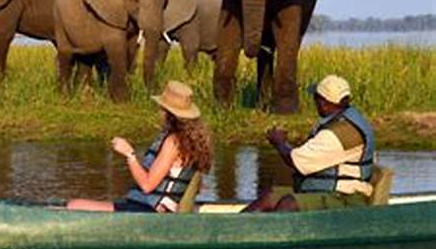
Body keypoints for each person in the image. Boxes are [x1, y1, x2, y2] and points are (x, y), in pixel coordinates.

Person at [68, 80, 212, 213]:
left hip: (149, 211)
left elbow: (147, 185)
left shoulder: (173, 142)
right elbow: (197, 187)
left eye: (161, 108)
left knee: (73, 206)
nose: (159, 111)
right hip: (145, 207)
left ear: (168, 113)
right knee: (75, 204)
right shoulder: (187, 141)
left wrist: (130, 154)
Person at [244, 74, 376, 212]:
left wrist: (279, 143)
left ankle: (277, 233)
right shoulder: (344, 121)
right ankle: (236, 229)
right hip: (325, 191)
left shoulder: (337, 134)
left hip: (345, 198)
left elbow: (296, 162)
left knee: (288, 203)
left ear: (324, 103)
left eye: (316, 98)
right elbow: (306, 155)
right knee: (269, 196)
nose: (315, 103)